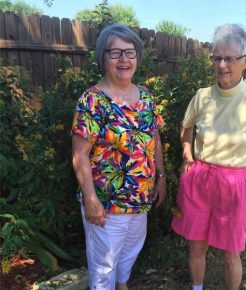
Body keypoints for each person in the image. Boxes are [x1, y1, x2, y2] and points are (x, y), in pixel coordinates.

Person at [171, 23, 246, 290]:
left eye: (229, 58)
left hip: (234, 184)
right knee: (195, 246)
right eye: (217, 58)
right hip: (199, 178)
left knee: (230, 252)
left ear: (245, 60)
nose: (222, 65)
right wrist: (187, 152)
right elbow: (186, 128)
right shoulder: (202, 96)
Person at [71, 24, 166, 290]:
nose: (124, 59)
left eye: (130, 52)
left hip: (141, 201)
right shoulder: (92, 101)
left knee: (129, 254)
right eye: (115, 53)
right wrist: (90, 199)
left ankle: (122, 285)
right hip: (106, 206)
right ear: (103, 57)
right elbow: (79, 154)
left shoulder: (146, 97)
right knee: (103, 269)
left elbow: (154, 139)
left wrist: (161, 176)